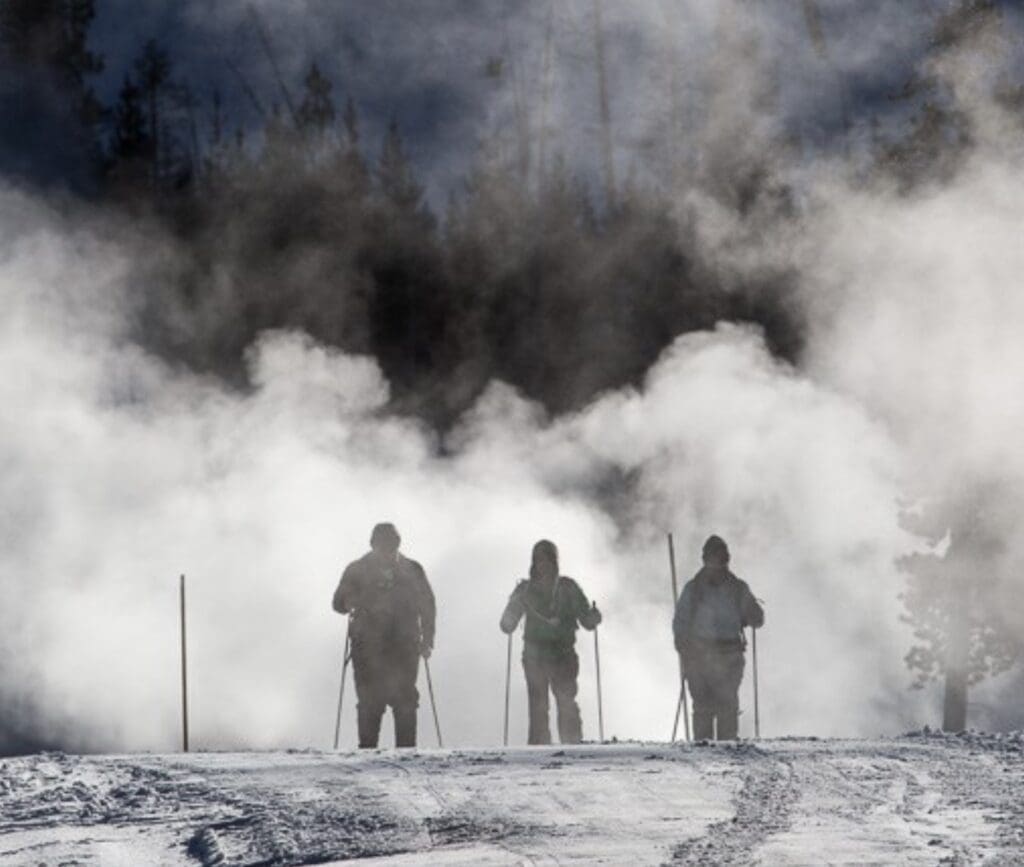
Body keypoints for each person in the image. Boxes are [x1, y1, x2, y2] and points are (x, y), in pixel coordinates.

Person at [332, 523, 435, 748]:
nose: (388, 551)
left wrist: (428, 640)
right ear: (373, 545)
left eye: (392, 545)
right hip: (368, 646)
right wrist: (348, 601)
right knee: (370, 701)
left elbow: (427, 606)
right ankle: (368, 751)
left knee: (405, 700)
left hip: (404, 646)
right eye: (384, 546)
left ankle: (406, 752)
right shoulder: (357, 570)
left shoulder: (412, 569)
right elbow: (337, 603)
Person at [500, 539, 602, 745]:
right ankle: (539, 750)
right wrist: (510, 616)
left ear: (554, 562)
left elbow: (586, 621)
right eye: (539, 560)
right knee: (538, 706)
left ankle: (572, 746)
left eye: (547, 560)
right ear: (533, 563)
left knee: (566, 702)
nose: (543, 565)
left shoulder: (568, 588)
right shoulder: (525, 591)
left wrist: (593, 617)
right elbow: (506, 624)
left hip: (562, 655)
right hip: (534, 656)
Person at [673, 535, 764, 740]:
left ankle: (725, 750)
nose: (718, 563)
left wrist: (753, 614)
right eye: (715, 558)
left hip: (726, 654)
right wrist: (682, 644)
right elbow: (681, 621)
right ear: (706, 559)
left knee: (725, 704)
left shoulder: (736, 588)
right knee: (707, 705)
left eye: (721, 558)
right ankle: (707, 751)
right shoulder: (695, 589)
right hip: (701, 654)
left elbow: (757, 619)